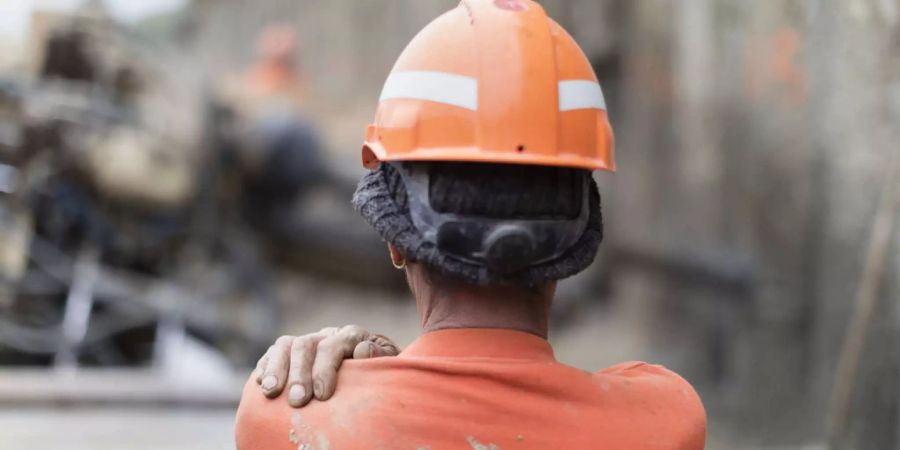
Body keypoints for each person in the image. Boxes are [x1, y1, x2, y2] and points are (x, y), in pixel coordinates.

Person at [236, 1, 706, 448]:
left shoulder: (285, 418)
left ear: (396, 242)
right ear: (578, 244)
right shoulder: (667, 419)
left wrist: (379, 372)